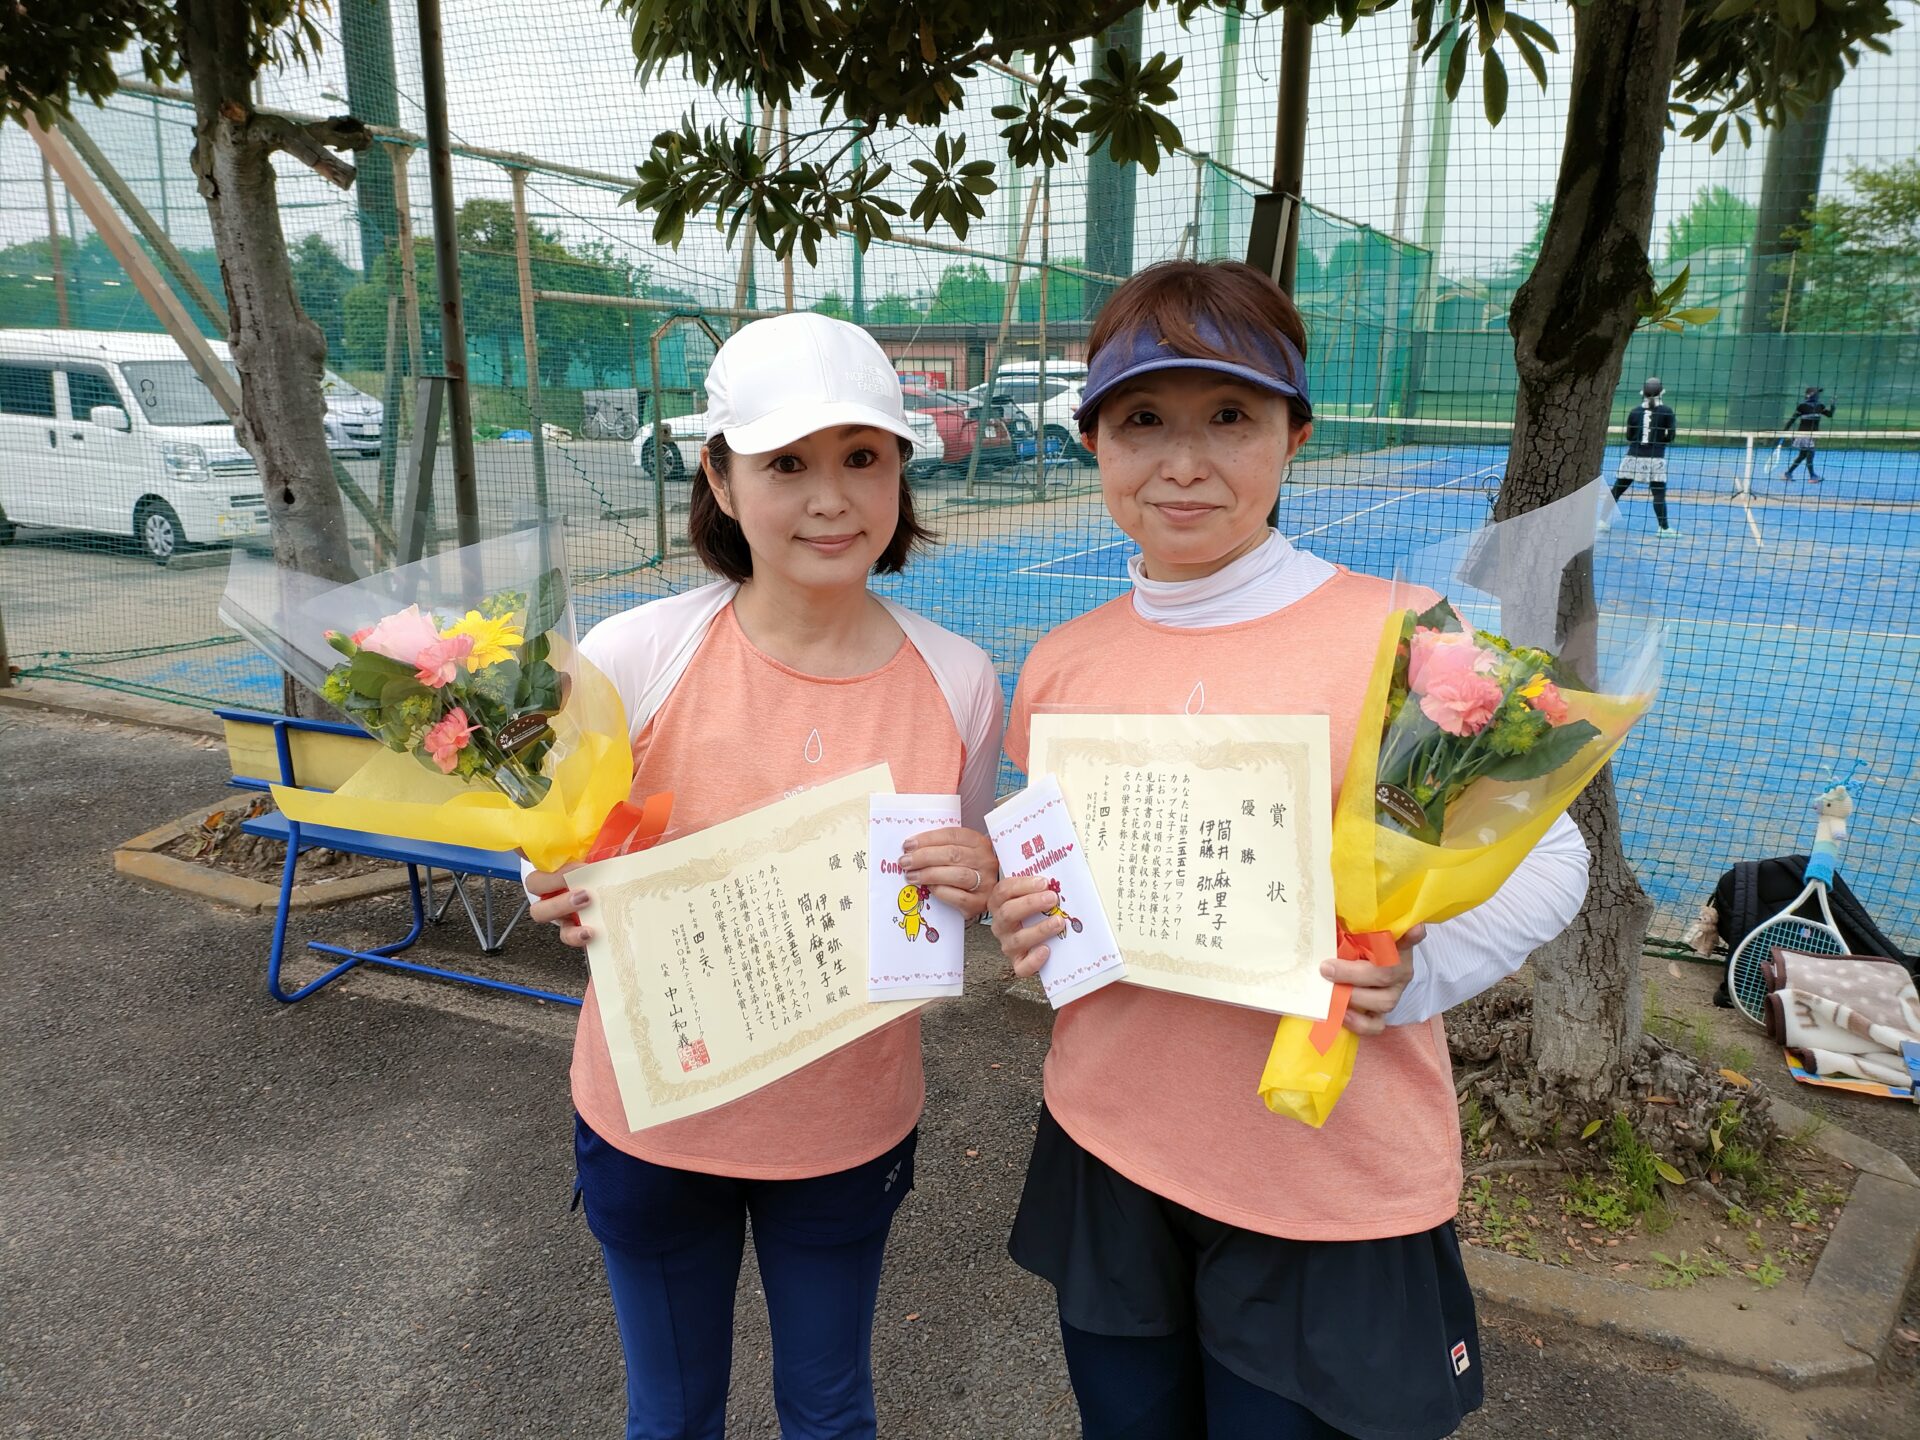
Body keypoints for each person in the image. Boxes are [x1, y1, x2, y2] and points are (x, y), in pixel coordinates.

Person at [987, 260, 1592, 1440]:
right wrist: (1026, 912)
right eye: (1142, 421)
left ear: (1294, 436)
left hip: (1323, 1177)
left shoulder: (1410, 635)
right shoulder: (1062, 659)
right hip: (1107, 1139)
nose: (1184, 462)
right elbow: (1059, 873)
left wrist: (1420, 969)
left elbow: (1553, 857)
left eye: (1230, 417)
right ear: (1093, 440)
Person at [525, 312, 1004, 1440]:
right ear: (720, 480)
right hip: (653, 1118)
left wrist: (976, 876)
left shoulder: (961, 680)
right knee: (672, 1414)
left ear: (899, 472)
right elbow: (549, 845)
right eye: (786, 463)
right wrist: (549, 884)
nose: (830, 499)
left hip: (847, 1126)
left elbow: (958, 881)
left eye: (861, 457)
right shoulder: (635, 654)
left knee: (830, 1410)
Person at [1605, 376, 1679, 536]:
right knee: (1658, 494)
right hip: (1656, 459)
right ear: (1662, 393)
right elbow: (1671, 435)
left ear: (1642, 393)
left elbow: (1629, 436)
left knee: (1617, 490)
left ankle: (1601, 522)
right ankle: (1664, 528)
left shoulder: (1635, 411)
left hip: (1633, 457)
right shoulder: (1667, 411)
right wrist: (1660, 442)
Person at [1780, 385, 1835, 483]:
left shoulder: (1820, 406)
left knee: (1802, 455)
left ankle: (1787, 474)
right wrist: (1784, 432)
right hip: (1803, 435)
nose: (1818, 395)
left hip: (1813, 435)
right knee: (1810, 454)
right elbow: (1792, 420)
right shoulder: (1802, 406)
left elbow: (1829, 415)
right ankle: (1812, 476)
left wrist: (1833, 406)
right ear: (1809, 395)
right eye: (1816, 393)